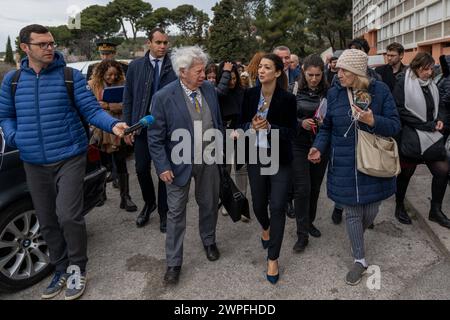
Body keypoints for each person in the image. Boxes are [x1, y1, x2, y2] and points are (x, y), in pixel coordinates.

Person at [0, 24, 128, 300]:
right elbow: (6, 116)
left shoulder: (69, 77)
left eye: (51, 43)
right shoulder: (12, 81)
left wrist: (114, 125)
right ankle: (58, 269)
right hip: (33, 161)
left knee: (68, 216)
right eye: (42, 44)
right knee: (46, 221)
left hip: (69, 156)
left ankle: (76, 271)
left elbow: (91, 109)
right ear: (25, 48)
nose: (49, 48)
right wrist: (15, 136)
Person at [308, 49, 401, 285]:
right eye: (337, 69)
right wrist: (319, 146)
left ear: (357, 72)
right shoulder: (333, 93)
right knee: (351, 212)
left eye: (343, 70)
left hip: (373, 163)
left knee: (370, 211)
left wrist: (373, 121)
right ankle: (359, 259)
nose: (338, 74)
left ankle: (357, 234)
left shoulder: (380, 91)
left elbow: (394, 125)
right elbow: (326, 127)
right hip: (343, 163)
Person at [148, 46, 223, 285]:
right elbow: (155, 137)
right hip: (177, 164)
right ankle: (173, 262)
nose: (205, 75)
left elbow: (218, 122)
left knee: (209, 203)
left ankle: (209, 240)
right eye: (199, 71)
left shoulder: (209, 90)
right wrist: (162, 166)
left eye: (204, 71)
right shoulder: (163, 96)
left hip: (209, 159)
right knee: (176, 214)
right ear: (183, 72)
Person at [239, 53, 297, 284]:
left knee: (278, 206)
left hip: (280, 159)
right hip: (255, 155)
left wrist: (270, 127)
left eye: (267, 67)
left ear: (278, 72)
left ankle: (273, 258)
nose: (261, 71)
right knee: (258, 205)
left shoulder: (288, 99)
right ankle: (265, 227)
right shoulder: (249, 95)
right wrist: (251, 126)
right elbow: (240, 124)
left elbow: (292, 133)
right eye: (260, 67)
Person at [123, 28, 177, 231]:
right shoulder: (136, 66)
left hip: (167, 129)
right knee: (140, 169)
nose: (162, 46)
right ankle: (149, 203)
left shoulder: (174, 66)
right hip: (141, 128)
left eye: (165, 43)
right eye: (158, 42)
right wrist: (128, 127)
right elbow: (128, 98)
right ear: (149, 43)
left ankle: (164, 212)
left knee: (165, 171)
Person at [392, 52, 450, 228]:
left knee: (443, 170)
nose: (430, 73)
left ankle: (435, 211)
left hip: (431, 136)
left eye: (432, 69)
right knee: (406, 174)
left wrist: (439, 119)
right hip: (411, 136)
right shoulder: (404, 82)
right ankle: (399, 206)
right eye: (426, 69)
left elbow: (439, 105)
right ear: (417, 68)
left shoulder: (432, 84)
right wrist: (426, 125)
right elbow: (400, 110)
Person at [290, 54, 329, 253]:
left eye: (317, 75)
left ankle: (309, 222)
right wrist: (300, 123)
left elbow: (333, 119)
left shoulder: (329, 91)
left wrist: (324, 123)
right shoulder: (294, 89)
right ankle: (301, 235)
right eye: (310, 75)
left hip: (320, 145)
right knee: (302, 189)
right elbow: (285, 117)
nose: (314, 79)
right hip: (299, 144)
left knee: (314, 188)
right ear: (303, 72)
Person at [88, 60, 137, 212]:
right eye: (109, 75)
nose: (113, 77)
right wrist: (99, 105)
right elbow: (87, 106)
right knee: (103, 165)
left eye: (115, 74)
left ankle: (125, 197)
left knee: (121, 163)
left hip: (119, 128)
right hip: (99, 130)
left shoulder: (123, 83)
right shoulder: (91, 85)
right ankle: (101, 194)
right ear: (102, 73)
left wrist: (109, 106)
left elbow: (128, 103)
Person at [216, 61, 249, 222]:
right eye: (228, 78)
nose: (232, 82)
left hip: (240, 132)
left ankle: (241, 202)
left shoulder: (242, 92)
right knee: (226, 170)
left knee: (242, 169)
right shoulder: (216, 94)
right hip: (224, 134)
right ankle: (227, 201)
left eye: (234, 78)